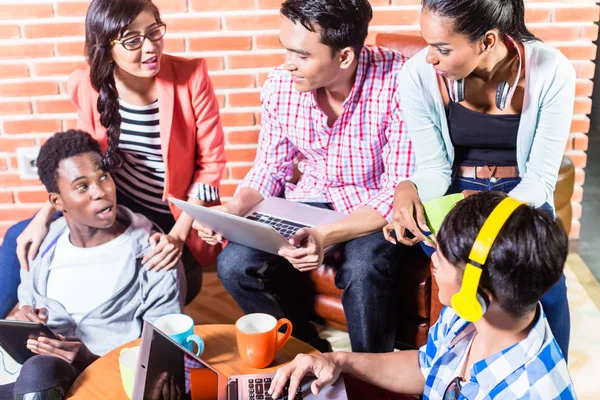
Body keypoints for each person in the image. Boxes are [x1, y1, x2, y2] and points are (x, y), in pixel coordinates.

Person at [195, 0, 416, 353]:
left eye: (301, 55)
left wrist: (324, 235)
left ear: (344, 57)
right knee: (235, 263)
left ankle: (371, 374)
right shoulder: (281, 86)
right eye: (286, 50)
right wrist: (234, 209)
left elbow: (398, 188)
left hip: (372, 205)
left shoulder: (400, 82)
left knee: (364, 267)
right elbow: (270, 166)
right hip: (310, 198)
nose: (288, 64)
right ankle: (308, 353)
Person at [0, 0, 226, 318]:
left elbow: (211, 167)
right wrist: (44, 215)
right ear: (106, 47)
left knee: (147, 277)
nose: (150, 48)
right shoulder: (87, 84)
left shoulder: (191, 77)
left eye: (154, 33)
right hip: (113, 204)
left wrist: (177, 236)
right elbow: (80, 159)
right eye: (133, 40)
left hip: (171, 214)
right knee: (16, 236)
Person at [384, 0, 576, 359]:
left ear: (487, 42)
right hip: (455, 193)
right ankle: (458, 371)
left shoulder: (552, 70)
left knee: (544, 282)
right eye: (427, 44)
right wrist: (408, 188)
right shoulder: (417, 76)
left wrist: (487, 223)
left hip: (522, 194)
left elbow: (540, 179)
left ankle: (552, 372)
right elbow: (433, 168)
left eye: (442, 48)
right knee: (460, 272)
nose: (429, 58)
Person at [268, 191, 575, 400]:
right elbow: (426, 366)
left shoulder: (531, 390)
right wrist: (336, 360)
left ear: (479, 293)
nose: (433, 261)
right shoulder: (467, 313)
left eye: (443, 256)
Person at [0, 130, 184, 400]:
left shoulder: (155, 255)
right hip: (34, 384)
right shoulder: (40, 246)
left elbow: (163, 361)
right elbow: (26, 305)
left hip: (105, 381)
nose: (101, 192)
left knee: (40, 370)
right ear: (56, 201)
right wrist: (24, 317)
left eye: (103, 177)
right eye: (82, 186)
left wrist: (88, 359)